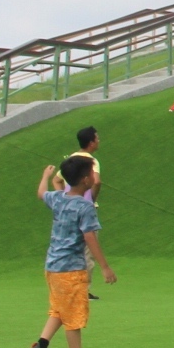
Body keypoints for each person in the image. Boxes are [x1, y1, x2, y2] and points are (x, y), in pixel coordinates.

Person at [26, 155, 118, 348]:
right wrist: (105, 267)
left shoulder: (58, 198)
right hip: (71, 268)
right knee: (74, 314)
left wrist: (45, 176)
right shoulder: (85, 207)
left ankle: (41, 346)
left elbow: (41, 193)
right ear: (86, 179)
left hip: (52, 265)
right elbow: (90, 237)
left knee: (60, 308)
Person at [71, 126, 102, 299]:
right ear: (91, 142)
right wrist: (92, 199)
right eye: (97, 138)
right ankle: (84, 289)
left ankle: (73, 285)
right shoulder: (91, 161)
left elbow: (57, 180)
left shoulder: (71, 159)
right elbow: (96, 181)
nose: (98, 140)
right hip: (85, 208)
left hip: (70, 207)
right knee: (88, 250)